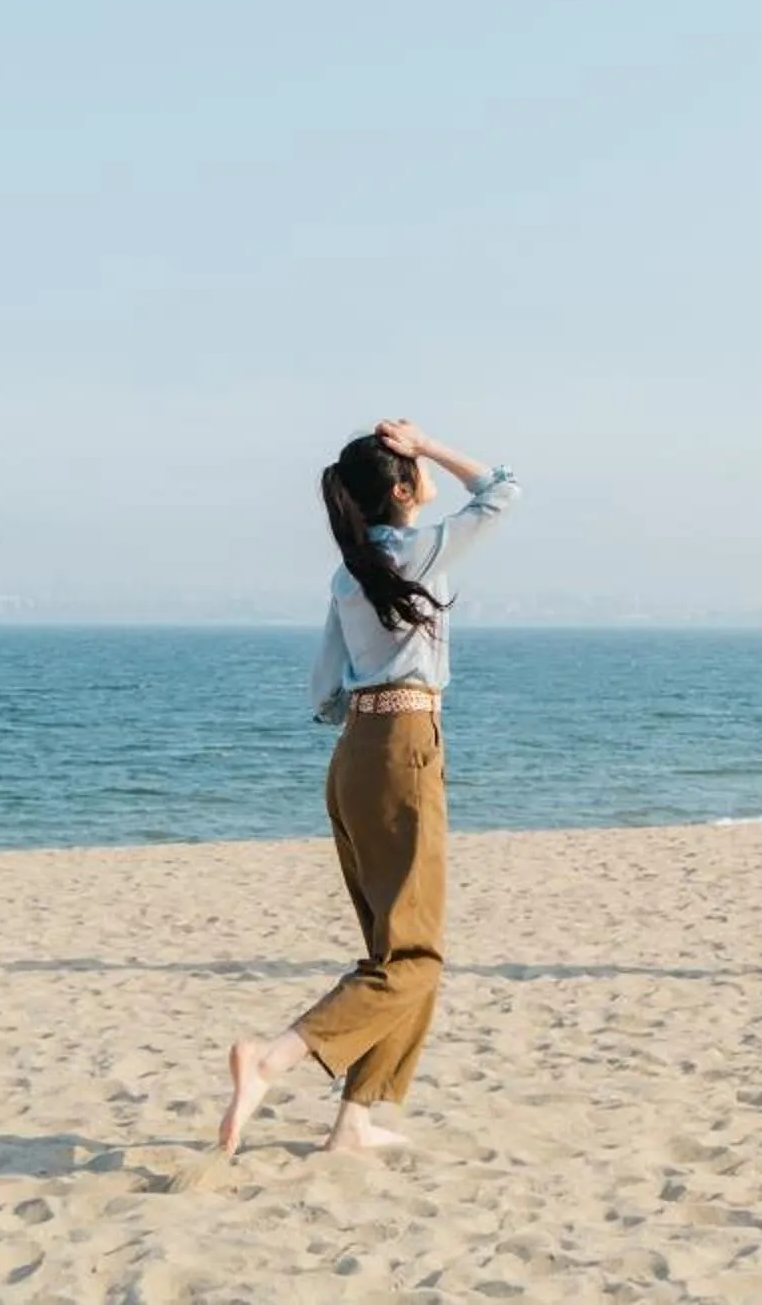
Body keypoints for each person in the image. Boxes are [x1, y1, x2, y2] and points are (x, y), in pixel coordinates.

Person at [219, 416, 519, 1155]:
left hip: (355, 752)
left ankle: (356, 1120)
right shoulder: (416, 551)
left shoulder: (353, 571)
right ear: (401, 485)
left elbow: (325, 687)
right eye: (412, 470)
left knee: (401, 954)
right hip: (403, 743)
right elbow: (501, 491)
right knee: (413, 959)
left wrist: (369, 726)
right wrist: (432, 445)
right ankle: (272, 1058)